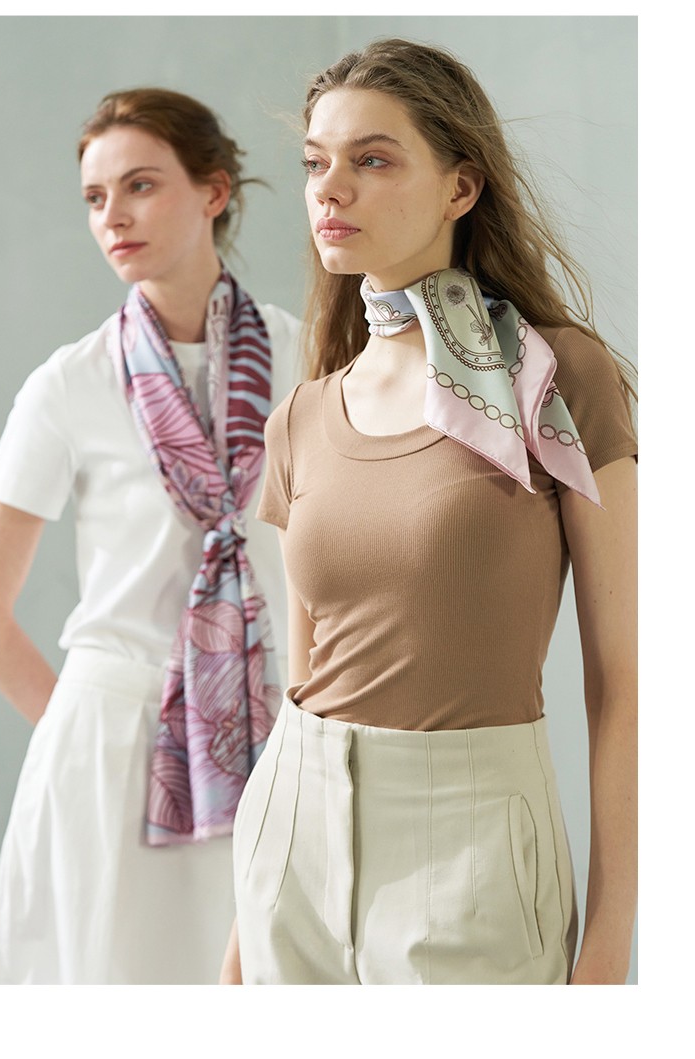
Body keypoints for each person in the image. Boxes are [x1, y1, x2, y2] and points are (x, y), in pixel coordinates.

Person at [221, 38, 637, 985]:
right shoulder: (303, 415)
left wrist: (610, 942)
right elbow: (302, 678)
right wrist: (241, 949)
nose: (331, 189)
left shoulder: (556, 379)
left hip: (475, 848)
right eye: (316, 163)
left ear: (461, 186)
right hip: (292, 840)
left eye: (372, 160)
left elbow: (621, 682)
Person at [0, 87, 301, 984]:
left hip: (269, 737)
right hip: (112, 747)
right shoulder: (68, 383)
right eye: (94, 197)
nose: (112, 215)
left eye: (140, 185)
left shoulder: (307, 361)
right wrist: (87, 731)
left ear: (214, 191)